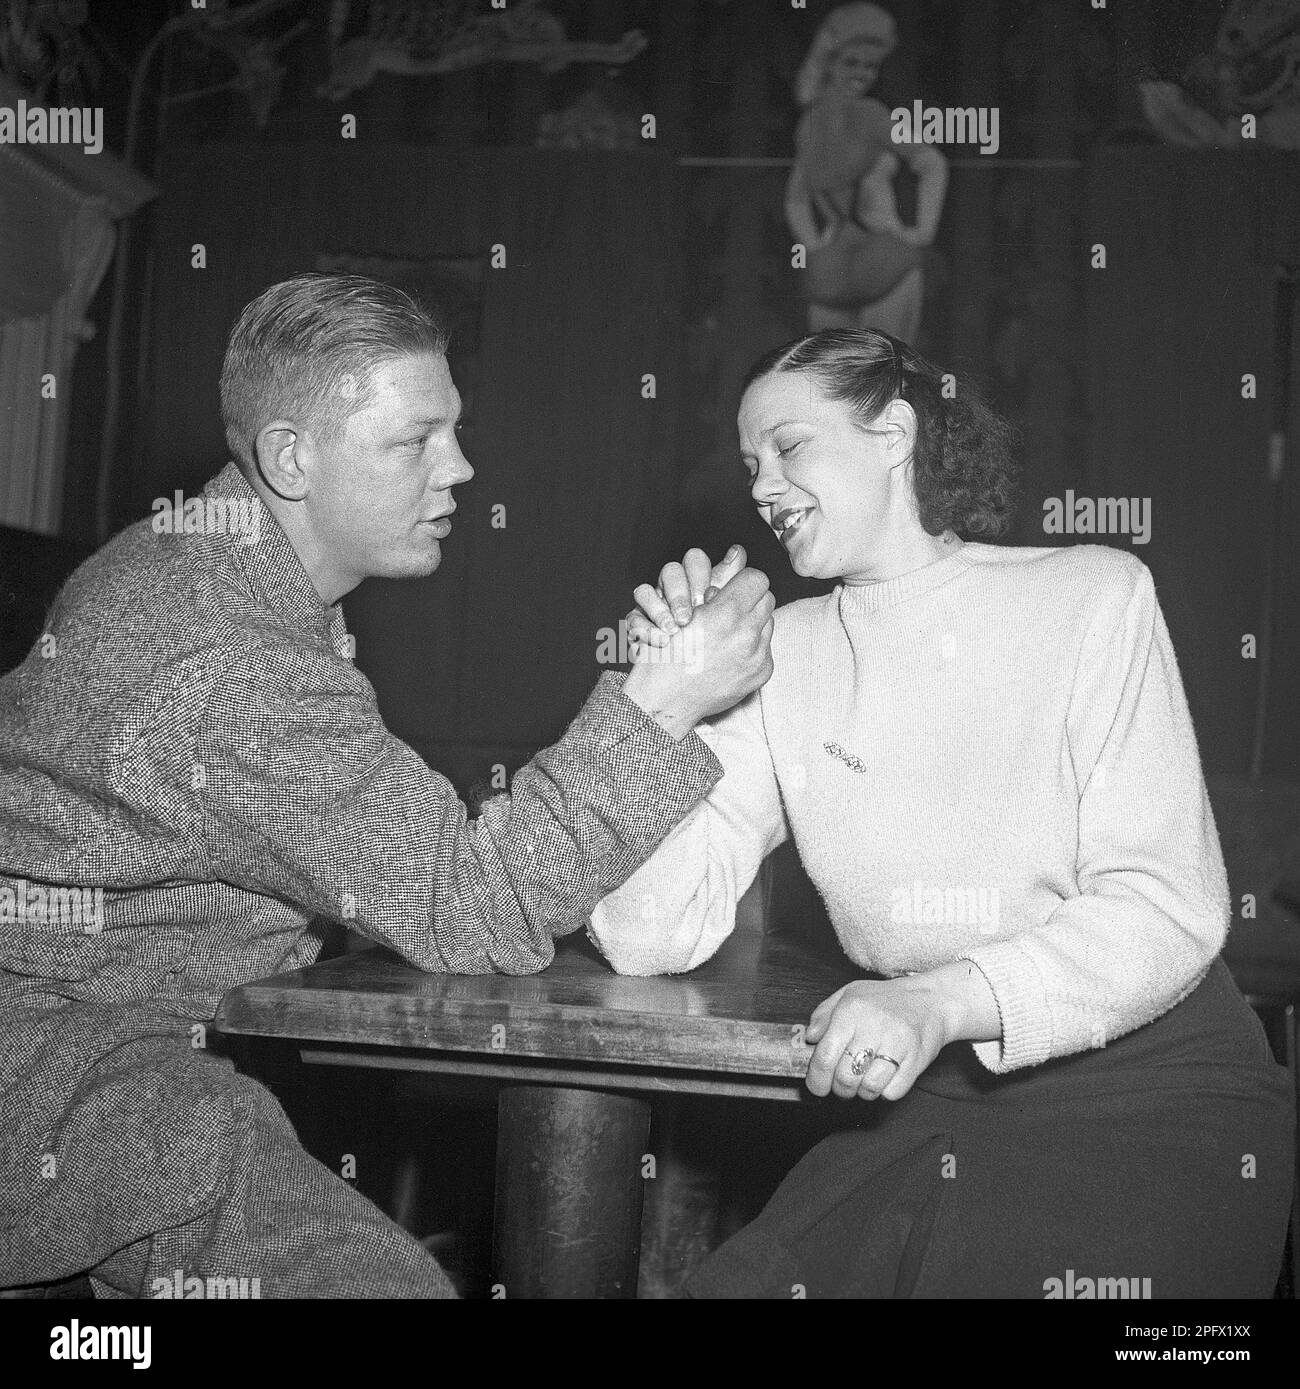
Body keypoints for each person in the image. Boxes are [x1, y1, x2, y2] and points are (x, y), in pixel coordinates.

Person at [0, 273, 775, 1299]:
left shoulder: (202, 568)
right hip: (50, 1077)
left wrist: (645, 687)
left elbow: (389, 855)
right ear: (289, 457)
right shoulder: (233, 657)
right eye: (416, 440)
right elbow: (478, 909)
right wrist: (662, 704)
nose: (458, 469)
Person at [592, 327, 1296, 1298]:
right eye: (750, 461)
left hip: (1153, 1097)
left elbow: (1167, 905)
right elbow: (644, 939)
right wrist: (666, 704)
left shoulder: (1091, 593)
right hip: (932, 1098)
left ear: (892, 431)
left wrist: (936, 998)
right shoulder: (778, 654)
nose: (761, 485)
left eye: (788, 446)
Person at [785, 2, 947, 342]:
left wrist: (921, 233)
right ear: (829, 62)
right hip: (834, 272)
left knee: (876, 378)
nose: (862, 74)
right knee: (840, 381)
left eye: (871, 66)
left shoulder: (872, 115)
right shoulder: (812, 124)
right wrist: (814, 245)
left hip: (883, 263)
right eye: (851, 62)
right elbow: (797, 198)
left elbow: (931, 162)